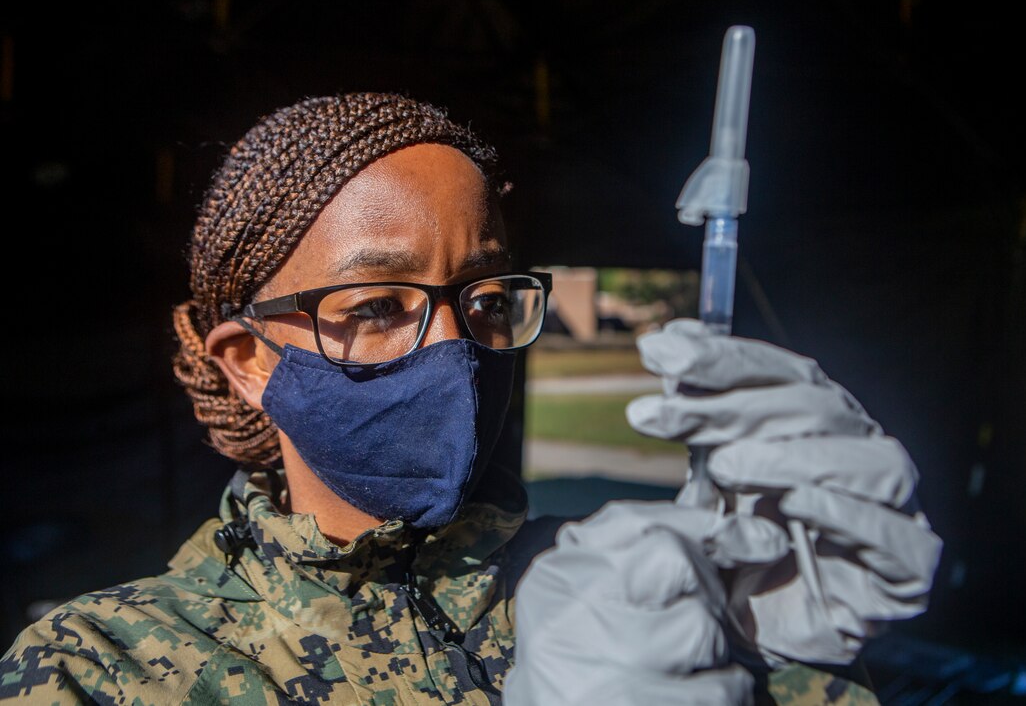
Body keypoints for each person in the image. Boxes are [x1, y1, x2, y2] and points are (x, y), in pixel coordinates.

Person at [0, 92, 940, 704]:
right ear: (248, 358)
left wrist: (785, 655)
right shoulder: (100, 669)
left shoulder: (632, 590)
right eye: (375, 304)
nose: (453, 348)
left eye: (485, 300)